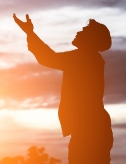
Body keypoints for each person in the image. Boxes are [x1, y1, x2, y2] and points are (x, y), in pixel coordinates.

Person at [13, 13, 113, 164]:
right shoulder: (90, 58)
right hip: (92, 126)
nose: (78, 32)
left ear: (91, 39)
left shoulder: (83, 58)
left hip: (89, 129)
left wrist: (30, 33)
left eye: (83, 31)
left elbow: (47, 58)